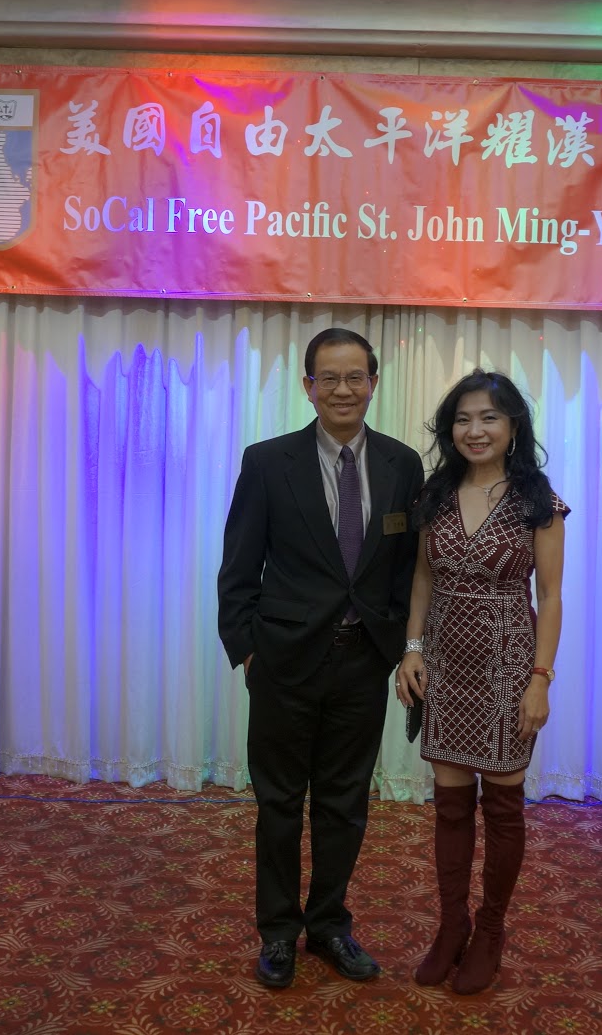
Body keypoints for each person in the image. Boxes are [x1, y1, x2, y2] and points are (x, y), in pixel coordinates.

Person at [217, 327, 425, 990]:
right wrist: (248, 652)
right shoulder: (266, 461)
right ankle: (278, 931)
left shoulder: (401, 465)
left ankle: (330, 923)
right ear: (307, 386)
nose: (342, 389)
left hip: (362, 662)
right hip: (283, 662)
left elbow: (405, 569)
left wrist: (401, 646)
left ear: (373, 382)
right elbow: (238, 568)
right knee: (279, 802)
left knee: (345, 803)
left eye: (354, 376)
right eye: (328, 378)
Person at [395, 369, 567, 995]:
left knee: (501, 805)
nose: (475, 430)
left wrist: (540, 680)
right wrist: (411, 650)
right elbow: (422, 580)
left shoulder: (538, 501)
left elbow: (550, 597)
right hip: (444, 664)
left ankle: (491, 930)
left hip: (507, 667)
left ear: (513, 425)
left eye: (489, 418)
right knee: (449, 806)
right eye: (463, 419)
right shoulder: (435, 494)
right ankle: (452, 926)